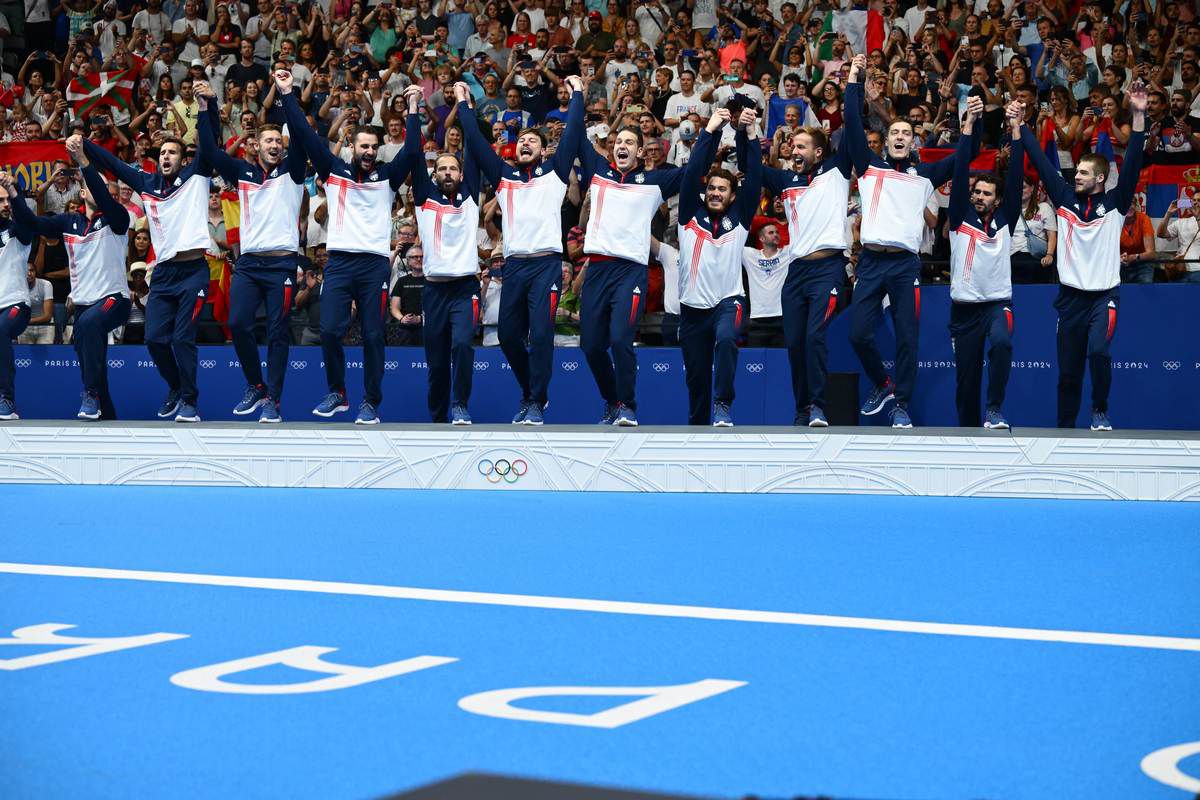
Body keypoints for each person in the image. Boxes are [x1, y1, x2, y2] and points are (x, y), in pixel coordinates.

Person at [843, 53, 973, 429]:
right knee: (857, 333)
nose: (900, 137)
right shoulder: (869, 166)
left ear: (914, 141)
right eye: (895, 133)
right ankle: (883, 384)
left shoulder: (926, 174)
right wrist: (854, 78)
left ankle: (901, 403)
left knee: (906, 338)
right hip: (869, 262)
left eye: (906, 133)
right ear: (885, 142)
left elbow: (965, 157)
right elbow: (851, 122)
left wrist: (970, 126)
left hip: (904, 266)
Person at [278, 69, 411, 425]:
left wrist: (411, 108)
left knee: (372, 336)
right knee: (331, 330)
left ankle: (371, 401)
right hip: (338, 264)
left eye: (373, 147)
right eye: (362, 146)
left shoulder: (387, 178)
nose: (368, 151)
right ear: (352, 147)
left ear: (378, 149)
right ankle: (338, 392)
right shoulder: (334, 170)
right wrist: (288, 94)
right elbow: (305, 135)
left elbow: (412, 151)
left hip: (374, 267)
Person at [1018, 82, 1148, 432]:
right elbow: (1044, 164)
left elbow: (1134, 160)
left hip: (1104, 296)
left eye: (1083, 173)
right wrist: (1021, 127)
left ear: (1101, 178)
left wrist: (1138, 115)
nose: (1076, 176)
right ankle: (1064, 431)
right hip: (1070, 300)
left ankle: (1100, 412)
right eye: (1076, 172)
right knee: (1068, 373)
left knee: (1100, 353)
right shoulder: (1063, 199)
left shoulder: (1116, 203)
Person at [456, 73, 584, 425]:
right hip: (513, 266)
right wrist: (465, 103)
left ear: (543, 150)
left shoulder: (555, 173)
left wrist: (576, 95)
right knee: (509, 335)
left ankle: (535, 401)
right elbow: (479, 147)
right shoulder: (505, 177)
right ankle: (532, 391)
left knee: (542, 333)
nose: (526, 143)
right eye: (522, 140)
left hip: (545, 265)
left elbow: (572, 134)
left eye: (533, 140)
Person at [83, 118, 214, 424]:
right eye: (163, 153)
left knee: (182, 338)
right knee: (154, 339)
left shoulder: (196, 176)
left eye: (173, 153)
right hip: (164, 275)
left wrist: (206, 110)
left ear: (184, 159)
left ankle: (189, 401)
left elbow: (209, 144)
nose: (166, 157)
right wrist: (84, 143)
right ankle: (176, 387)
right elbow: (113, 163)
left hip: (194, 271)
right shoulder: (147, 183)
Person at [195, 80, 305, 424]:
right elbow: (210, 153)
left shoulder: (293, 169)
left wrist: (288, 96)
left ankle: (273, 398)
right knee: (238, 323)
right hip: (248, 264)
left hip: (282, 264)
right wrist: (208, 107)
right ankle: (255, 384)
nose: (273, 144)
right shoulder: (242, 171)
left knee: (277, 332)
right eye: (267, 140)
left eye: (278, 141)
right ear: (255, 146)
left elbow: (301, 133)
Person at [4, 135, 131, 420]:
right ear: (81, 193)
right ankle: (105, 412)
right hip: (85, 305)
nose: (94, 187)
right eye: (89, 184)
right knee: (91, 355)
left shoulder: (116, 218)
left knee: (87, 325)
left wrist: (84, 162)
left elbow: (103, 195)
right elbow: (32, 224)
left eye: (98, 184)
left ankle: (90, 394)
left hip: (114, 299)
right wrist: (14, 193)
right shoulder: (68, 222)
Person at [575, 110, 683, 426]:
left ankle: (627, 405)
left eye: (630, 142)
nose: (623, 145)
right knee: (591, 346)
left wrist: (713, 130)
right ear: (612, 148)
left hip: (631, 272)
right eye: (618, 141)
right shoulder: (598, 171)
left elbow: (695, 169)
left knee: (621, 340)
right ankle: (611, 401)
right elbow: (577, 142)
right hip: (597, 269)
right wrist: (578, 96)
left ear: (639, 151)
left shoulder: (655, 181)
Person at [744, 123, 852, 427]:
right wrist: (749, 133)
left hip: (828, 269)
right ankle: (803, 408)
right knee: (795, 343)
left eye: (801, 146)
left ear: (819, 152)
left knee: (814, 335)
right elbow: (751, 166)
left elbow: (853, 134)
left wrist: (856, 83)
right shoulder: (786, 179)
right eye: (793, 145)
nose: (794, 150)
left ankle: (818, 405)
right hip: (797, 271)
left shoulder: (836, 171)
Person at [676, 107, 762, 427]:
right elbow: (691, 173)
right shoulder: (688, 215)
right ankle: (697, 427)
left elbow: (754, 176)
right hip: (692, 308)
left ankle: (723, 404)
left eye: (722, 189)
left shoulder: (740, 217)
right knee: (696, 378)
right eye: (711, 188)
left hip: (728, 301)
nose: (714, 192)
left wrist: (750, 136)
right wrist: (709, 130)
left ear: (732, 195)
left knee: (726, 340)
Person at [404, 84, 483, 425]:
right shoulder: (424, 197)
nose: (448, 172)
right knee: (436, 362)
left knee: (463, 347)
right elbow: (412, 152)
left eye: (454, 168)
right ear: (434, 174)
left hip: (465, 289)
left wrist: (465, 104)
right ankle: (437, 418)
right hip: (434, 291)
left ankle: (461, 405)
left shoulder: (470, 197)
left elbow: (476, 147)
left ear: (462, 175)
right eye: (442, 168)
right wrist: (412, 108)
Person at [946, 100, 1023, 430]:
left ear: (998, 199)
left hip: (996, 304)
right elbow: (960, 169)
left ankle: (994, 409)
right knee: (966, 382)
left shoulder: (1006, 220)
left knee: (1003, 343)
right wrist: (968, 127)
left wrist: (1017, 131)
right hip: (963, 310)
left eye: (987, 193)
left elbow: (1017, 177)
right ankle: (967, 434)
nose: (979, 196)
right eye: (976, 191)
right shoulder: (959, 217)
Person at [0, 170, 37, 421]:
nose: (5, 205)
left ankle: (6, 398)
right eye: (0, 200)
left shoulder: (19, 230)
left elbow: (26, 219)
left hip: (15, 304)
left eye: (7, 200)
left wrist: (14, 192)